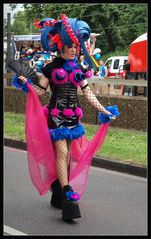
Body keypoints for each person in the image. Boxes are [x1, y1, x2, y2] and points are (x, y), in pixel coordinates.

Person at [10, 14, 119, 222]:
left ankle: (59, 192)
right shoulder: (50, 68)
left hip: (72, 119)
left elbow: (87, 93)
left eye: (76, 46)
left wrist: (104, 110)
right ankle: (68, 193)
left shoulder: (78, 68)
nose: (73, 50)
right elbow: (41, 92)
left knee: (67, 155)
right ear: (60, 46)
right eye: (70, 46)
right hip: (55, 117)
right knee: (61, 151)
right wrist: (25, 83)